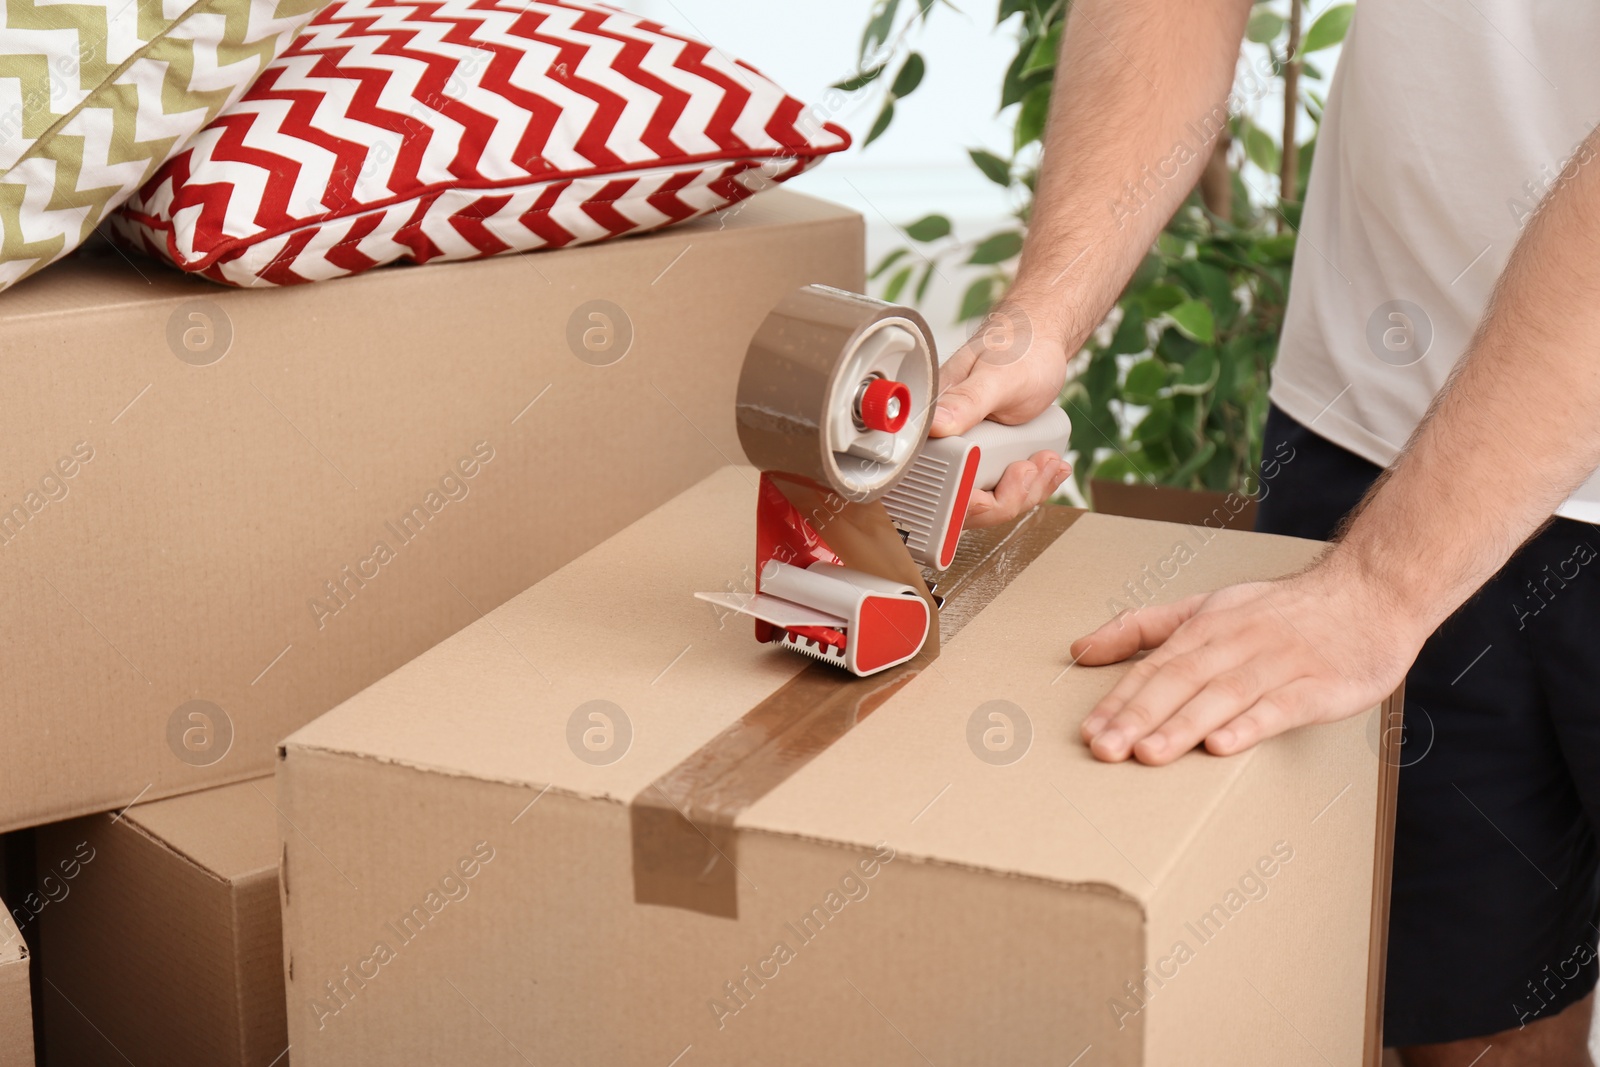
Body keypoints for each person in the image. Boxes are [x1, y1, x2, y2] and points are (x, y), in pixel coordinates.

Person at [928, 1, 1600, 1063]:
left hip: (1403, 538)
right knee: (1469, 1032)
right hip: (1376, 420)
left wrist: (1380, 585)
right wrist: (1042, 313)